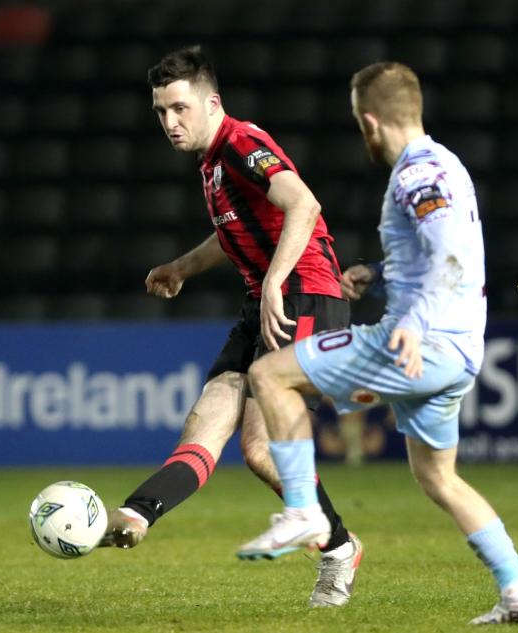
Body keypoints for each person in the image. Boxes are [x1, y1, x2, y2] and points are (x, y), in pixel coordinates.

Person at [239, 62, 518, 624]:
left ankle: (307, 512)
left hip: (417, 343)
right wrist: (377, 273)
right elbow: (437, 251)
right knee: (439, 477)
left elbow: (451, 256)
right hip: (457, 353)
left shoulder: (415, 177)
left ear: (370, 121)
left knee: (269, 376)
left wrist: (411, 321)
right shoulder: (446, 163)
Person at [100, 45, 362, 608]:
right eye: (161, 113)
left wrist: (274, 281)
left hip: (305, 295)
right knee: (205, 424)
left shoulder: (241, 143)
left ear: (211, 102)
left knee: (260, 448)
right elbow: (232, 232)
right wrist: (181, 267)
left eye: (179, 108)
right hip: (262, 302)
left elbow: (304, 205)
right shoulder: (212, 161)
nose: (170, 123)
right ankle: (137, 513)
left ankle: (339, 549)